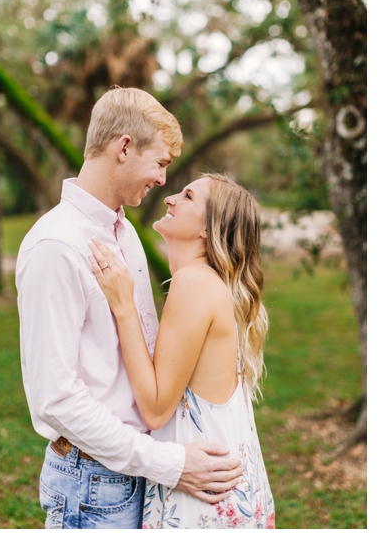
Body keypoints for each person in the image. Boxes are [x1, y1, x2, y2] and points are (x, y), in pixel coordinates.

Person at [16, 87, 242, 530]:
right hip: (92, 482)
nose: (162, 179)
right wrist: (168, 463)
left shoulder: (126, 233)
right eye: (159, 163)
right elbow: (55, 398)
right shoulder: (56, 247)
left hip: (141, 474)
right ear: (124, 148)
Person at [88, 173, 275, 528]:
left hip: (203, 499)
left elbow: (157, 409)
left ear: (208, 227)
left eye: (187, 196)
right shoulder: (209, 281)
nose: (170, 198)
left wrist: (123, 306)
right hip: (230, 490)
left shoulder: (194, 282)